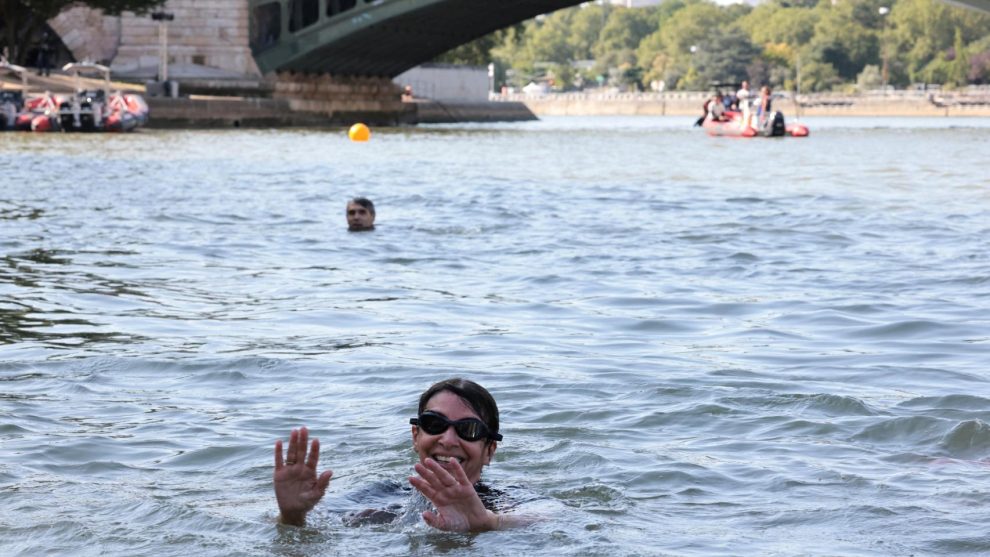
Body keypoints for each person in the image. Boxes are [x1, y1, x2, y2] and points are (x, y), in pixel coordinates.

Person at [274, 378, 523, 532]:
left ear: (489, 450)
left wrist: (487, 524)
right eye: (434, 424)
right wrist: (293, 517)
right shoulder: (378, 501)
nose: (447, 440)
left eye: (468, 430)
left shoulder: (507, 505)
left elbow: (551, 519)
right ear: (416, 436)